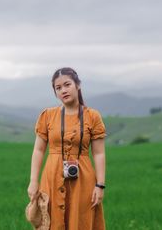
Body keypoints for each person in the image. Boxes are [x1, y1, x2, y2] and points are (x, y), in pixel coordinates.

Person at [27, 67, 107, 230]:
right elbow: (38, 150)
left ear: (78, 85)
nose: (63, 90)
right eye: (58, 88)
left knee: (81, 222)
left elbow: (99, 154)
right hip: (51, 177)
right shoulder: (47, 115)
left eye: (67, 84)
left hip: (83, 180)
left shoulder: (93, 116)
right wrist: (33, 181)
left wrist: (100, 185)